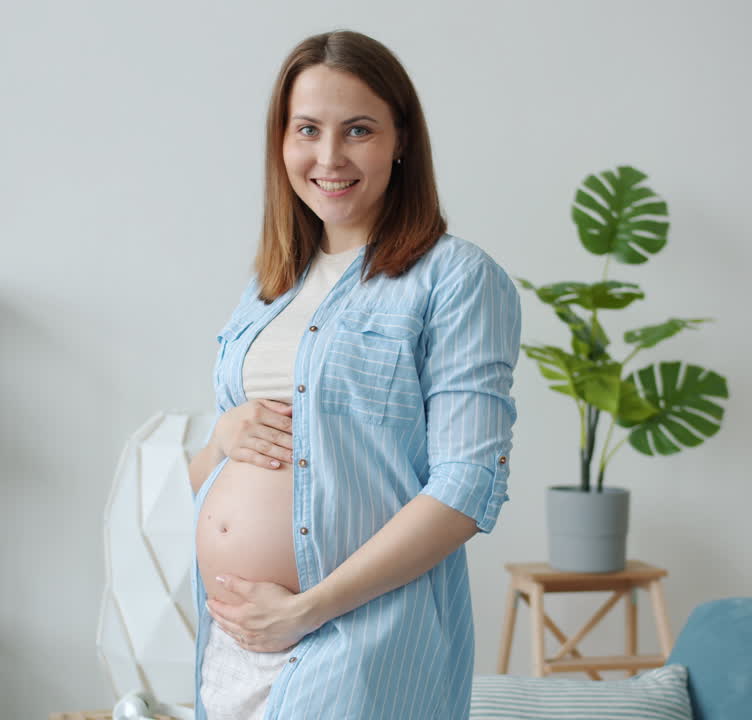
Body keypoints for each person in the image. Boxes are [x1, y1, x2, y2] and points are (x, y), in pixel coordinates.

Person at [186, 29, 521, 720]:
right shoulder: (268, 288)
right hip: (233, 646)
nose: (329, 156)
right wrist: (221, 439)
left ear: (401, 139)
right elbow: (205, 484)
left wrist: (307, 609)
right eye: (307, 129)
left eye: (358, 130)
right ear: (281, 143)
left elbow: (466, 488)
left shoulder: (456, 279)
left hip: (352, 641)